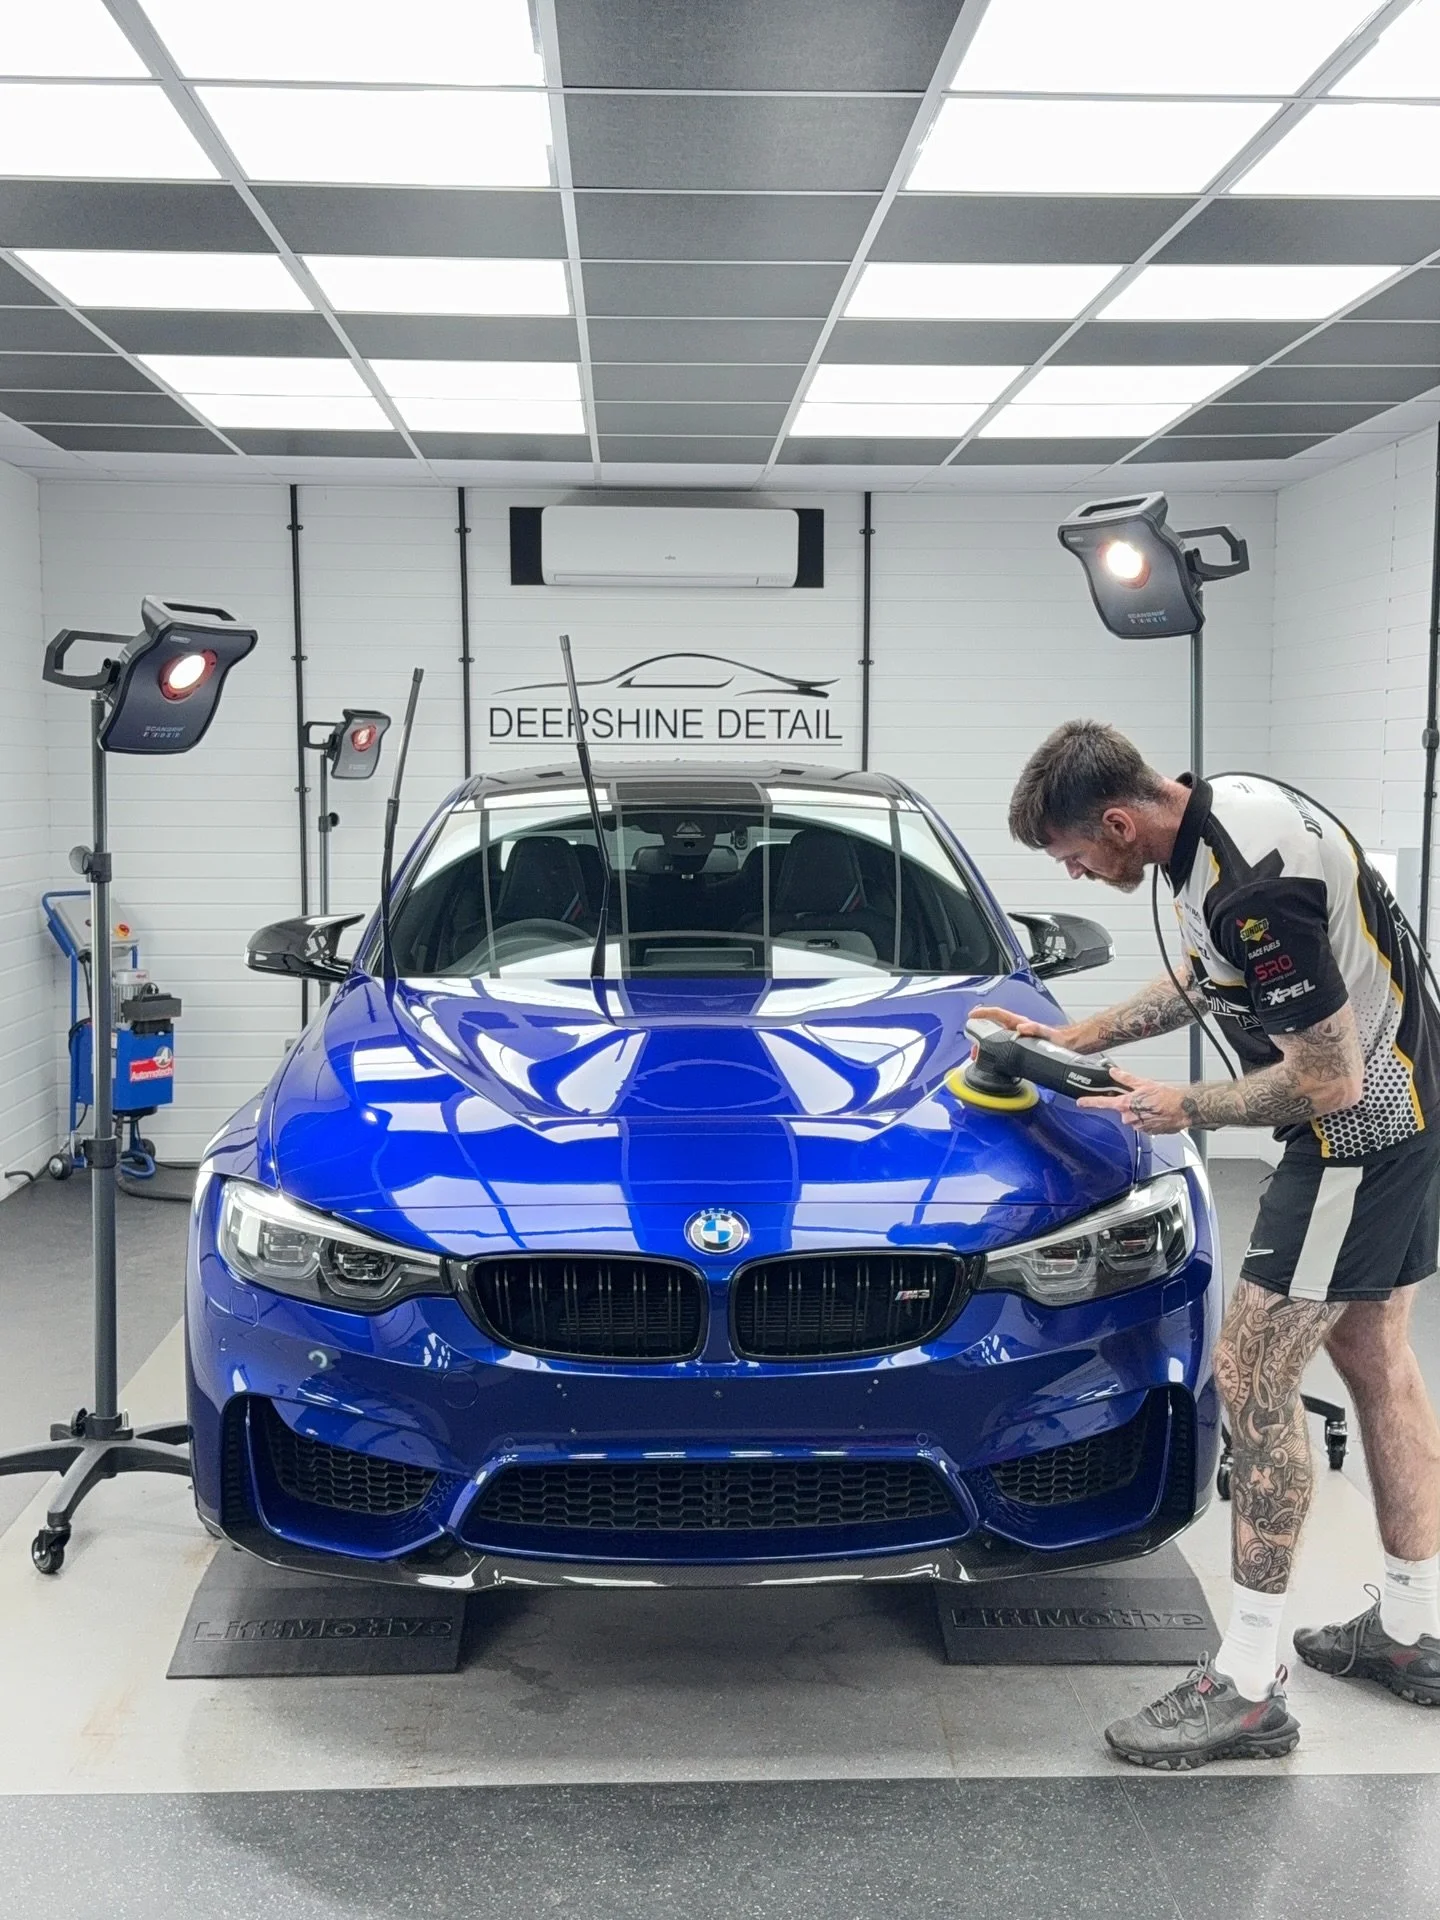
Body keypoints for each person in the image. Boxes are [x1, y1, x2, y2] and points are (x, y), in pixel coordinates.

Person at [979, 719, 1440, 1769]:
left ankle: (1245, 1684)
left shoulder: (1253, 894)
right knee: (1375, 1361)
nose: (1076, 871)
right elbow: (1204, 978)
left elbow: (1329, 1083)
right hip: (1415, 1102)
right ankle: (1414, 1632)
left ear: (1118, 820)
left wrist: (1185, 1103)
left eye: (1073, 855)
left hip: (1356, 1138)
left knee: (1251, 1375)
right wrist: (1078, 1038)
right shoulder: (1216, 816)